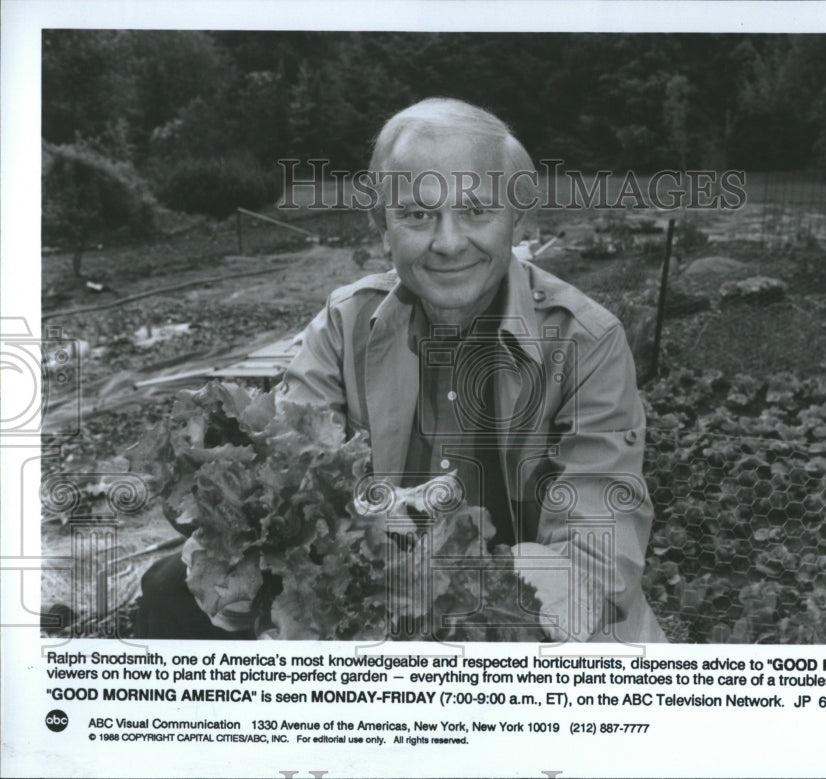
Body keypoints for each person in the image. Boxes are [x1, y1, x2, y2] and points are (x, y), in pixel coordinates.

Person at [137, 97, 664, 643]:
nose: (449, 242)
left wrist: (449, 614)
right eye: (417, 215)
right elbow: (287, 486)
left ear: (518, 219)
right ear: (381, 227)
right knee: (172, 590)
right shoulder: (345, 324)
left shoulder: (586, 340)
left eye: (477, 211)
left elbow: (596, 550)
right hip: (370, 590)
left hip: (518, 605)